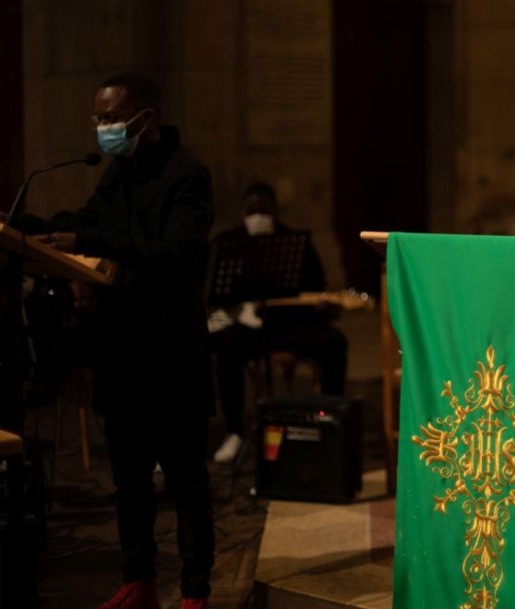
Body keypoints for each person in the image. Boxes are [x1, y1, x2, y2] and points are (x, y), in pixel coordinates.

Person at [34, 71, 216, 609]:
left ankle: (195, 592)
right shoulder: (116, 174)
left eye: (111, 117)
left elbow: (177, 253)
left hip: (171, 356)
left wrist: (88, 238)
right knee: (129, 481)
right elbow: (82, 224)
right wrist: (25, 228)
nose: (103, 127)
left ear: (146, 118)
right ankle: (139, 581)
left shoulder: (188, 176)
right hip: (121, 353)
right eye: (98, 118)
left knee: (186, 485)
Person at [207, 182, 348, 463]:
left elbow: (315, 289)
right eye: (252, 209)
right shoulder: (227, 243)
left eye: (264, 209)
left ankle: (329, 420)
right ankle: (234, 431)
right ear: (242, 212)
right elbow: (213, 292)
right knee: (225, 351)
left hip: (289, 325)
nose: (258, 215)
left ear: (275, 211)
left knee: (334, 343)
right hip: (247, 327)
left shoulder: (296, 243)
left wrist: (322, 306)